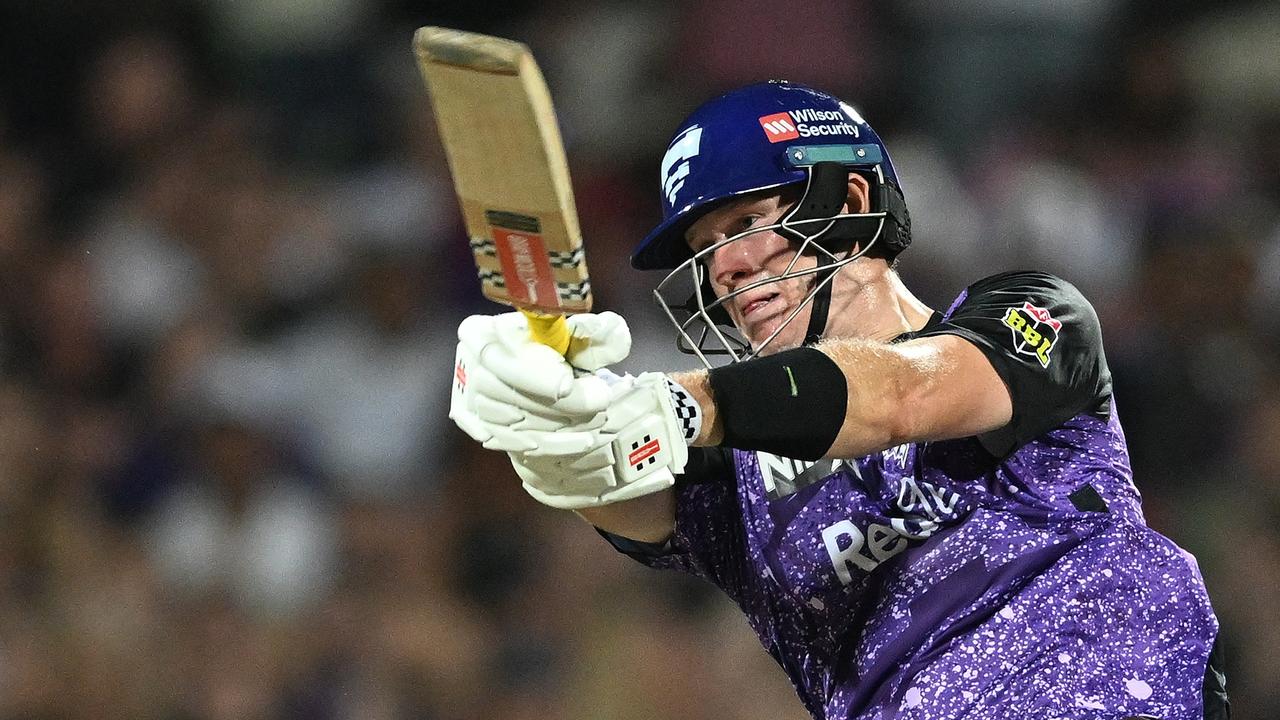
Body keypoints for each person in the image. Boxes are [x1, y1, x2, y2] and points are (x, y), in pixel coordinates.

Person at [449, 81, 1229, 720]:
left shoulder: (1034, 316)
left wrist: (685, 402)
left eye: (747, 223)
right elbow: (610, 479)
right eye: (702, 251)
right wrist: (536, 412)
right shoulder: (736, 476)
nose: (723, 269)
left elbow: (898, 394)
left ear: (852, 198)